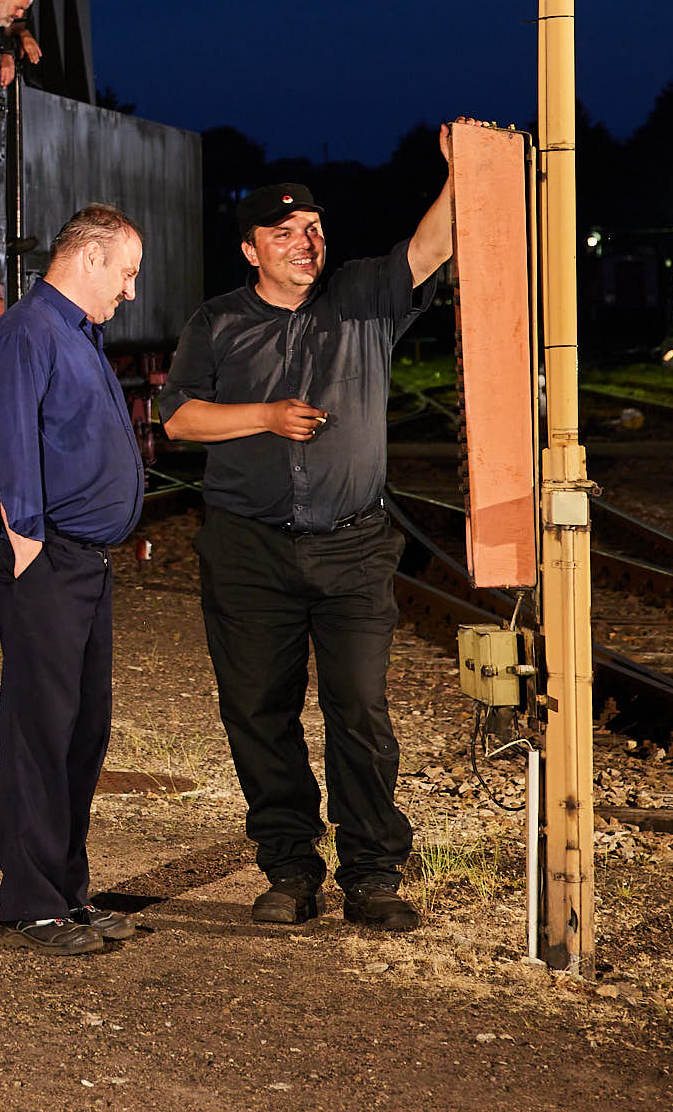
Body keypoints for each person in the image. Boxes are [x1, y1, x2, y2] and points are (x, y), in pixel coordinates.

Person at [161, 150, 455, 931]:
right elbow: (180, 418)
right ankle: (290, 869)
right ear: (251, 248)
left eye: (314, 226)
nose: (305, 239)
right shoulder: (217, 321)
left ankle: (372, 874)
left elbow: (429, 248)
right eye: (284, 230)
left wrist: (461, 178)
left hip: (353, 547)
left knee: (359, 709)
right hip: (249, 550)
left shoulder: (363, 297)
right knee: (260, 712)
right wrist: (263, 415)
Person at [0, 204, 149, 955]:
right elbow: (9, 446)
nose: (131, 291)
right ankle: (32, 904)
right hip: (47, 560)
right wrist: (28, 552)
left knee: (82, 728)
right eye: (129, 273)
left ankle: (68, 892)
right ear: (92, 256)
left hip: (84, 562)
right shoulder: (28, 331)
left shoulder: (78, 334)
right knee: (43, 729)